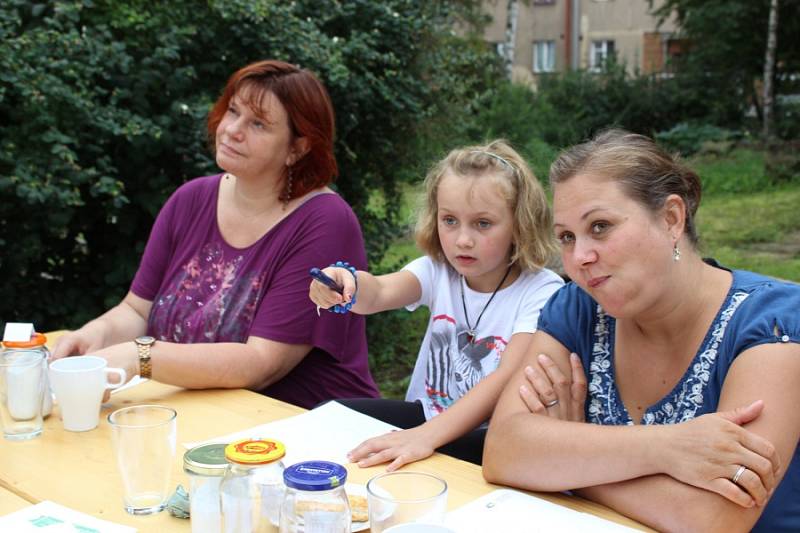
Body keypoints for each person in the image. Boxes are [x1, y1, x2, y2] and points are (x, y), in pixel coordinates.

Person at [483, 129, 800, 532]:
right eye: (566, 237)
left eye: (600, 226)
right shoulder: (578, 310)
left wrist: (570, 462)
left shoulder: (772, 325)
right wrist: (670, 447)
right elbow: (504, 449)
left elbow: (711, 519)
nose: (579, 258)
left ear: (671, 218)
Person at [52, 60, 379, 408]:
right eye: (233, 111)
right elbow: (136, 310)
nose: (233, 130)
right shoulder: (189, 200)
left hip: (307, 434)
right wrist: (93, 336)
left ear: (298, 148)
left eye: (258, 124)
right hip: (195, 417)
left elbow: (260, 364)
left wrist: (141, 358)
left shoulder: (324, 222)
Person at [309, 140, 564, 469]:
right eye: (450, 220)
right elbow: (381, 291)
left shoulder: (542, 290)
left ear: (519, 224)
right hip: (427, 417)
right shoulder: (437, 270)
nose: (462, 240)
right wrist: (347, 282)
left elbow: (505, 378)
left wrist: (426, 436)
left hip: (495, 435)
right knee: (330, 417)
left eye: (483, 223)